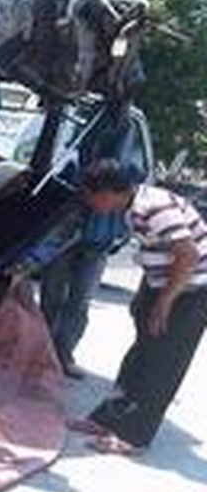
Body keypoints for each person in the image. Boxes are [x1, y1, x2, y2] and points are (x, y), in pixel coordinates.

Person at [73, 158, 207, 454]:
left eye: (90, 196)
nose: (90, 203)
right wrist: (148, 295)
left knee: (162, 363)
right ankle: (108, 419)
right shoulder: (134, 205)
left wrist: (164, 302)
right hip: (166, 283)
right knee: (140, 355)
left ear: (106, 193)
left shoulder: (154, 208)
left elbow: (188, 256)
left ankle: (134, 436)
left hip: (192, 290)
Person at [40, 200, 130, 378]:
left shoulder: (130, 178)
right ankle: (39, 352)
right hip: (64, 238)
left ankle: (63, 356)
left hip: (99, 244)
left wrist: (121, 236)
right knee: (51, 298)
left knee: (79, 303)